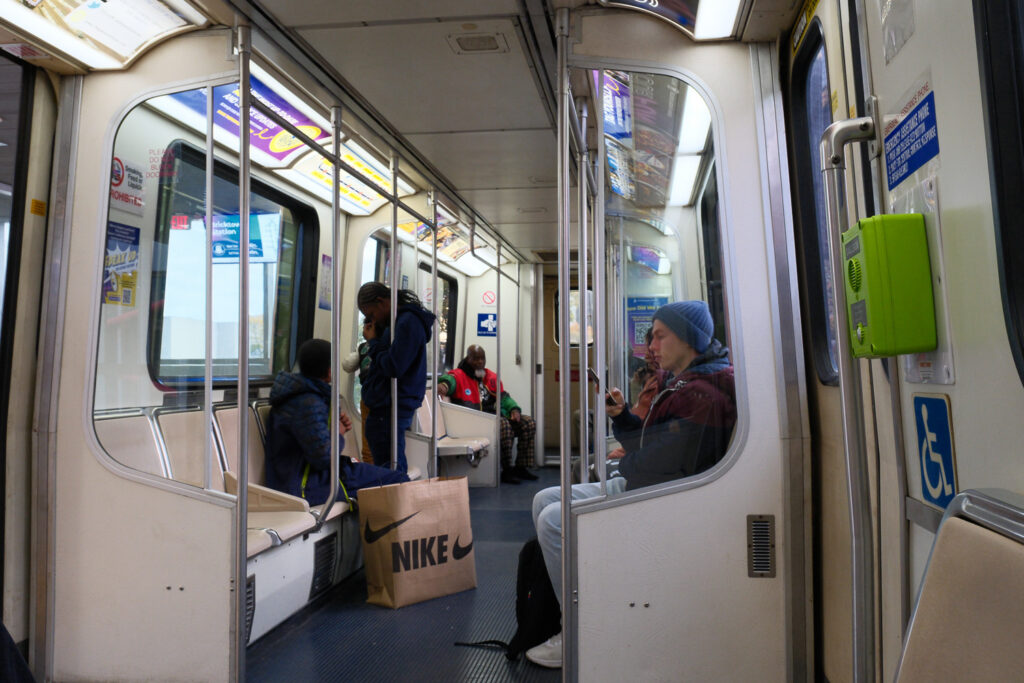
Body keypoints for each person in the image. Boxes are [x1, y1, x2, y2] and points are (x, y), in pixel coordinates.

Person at [525, 301, 736, 668]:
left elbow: (666, 464)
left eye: (659, 336)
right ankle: (573, 611)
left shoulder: (703, 395)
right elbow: (656, 446)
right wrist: (622, 417)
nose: (651, 346)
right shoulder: (682, 383)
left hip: (668, 497)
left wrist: (623, 463)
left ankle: (579, 632)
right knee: (545, 499)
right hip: (654, 482)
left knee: (553, 521)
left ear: (688, 338)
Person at [265, 338, 409, 505]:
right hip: (307, 486)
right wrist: (338, 432)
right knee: (400, 481)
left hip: (309, 478)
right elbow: (324, 458)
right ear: (328, 371)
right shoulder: (308, 403)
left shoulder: (299, 397)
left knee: (389, 478)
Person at [357, 282, 436, 473]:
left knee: (389, 465)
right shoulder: (397, 322)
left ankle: (395, 498)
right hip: (388, 402)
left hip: (391, 403)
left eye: (372, 314)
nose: (371, 320)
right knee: (390, 460)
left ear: (382, 302)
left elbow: (395, 365)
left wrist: (373, 343)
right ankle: (396, 496)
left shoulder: (407, 322)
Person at [437, 345, 538, 484]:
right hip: (476, 419)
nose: (480, 362)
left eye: (482, 358)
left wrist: (514, 409)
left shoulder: (490, 376)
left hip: (495, 417)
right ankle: (506, 470)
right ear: (468, 358)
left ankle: (521, 467)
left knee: (529, 423)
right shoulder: (459, 375)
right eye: (475, 359)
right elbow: (449, 381)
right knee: (504, 425)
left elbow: (504, 397)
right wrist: (443, 386)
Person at [343, 318, 376, 463]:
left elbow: (347, 365)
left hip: (369, 397)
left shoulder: (364, 347)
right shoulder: (390, 346)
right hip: (380, 399)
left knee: (368, 446)